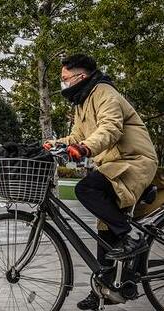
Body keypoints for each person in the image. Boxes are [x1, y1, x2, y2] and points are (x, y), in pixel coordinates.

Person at [45, 54, 158, 309]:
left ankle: (133, 234)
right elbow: (77, 136)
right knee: (105, 231)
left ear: (80, 77)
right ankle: (104, 292)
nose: (63, 84)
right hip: (114, 165)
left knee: (86, 188)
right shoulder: (82, 102)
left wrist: (85, 148)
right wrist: (54, 145)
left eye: (64, 79)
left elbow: (110, 128)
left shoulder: (104, 92)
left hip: (134, 161)